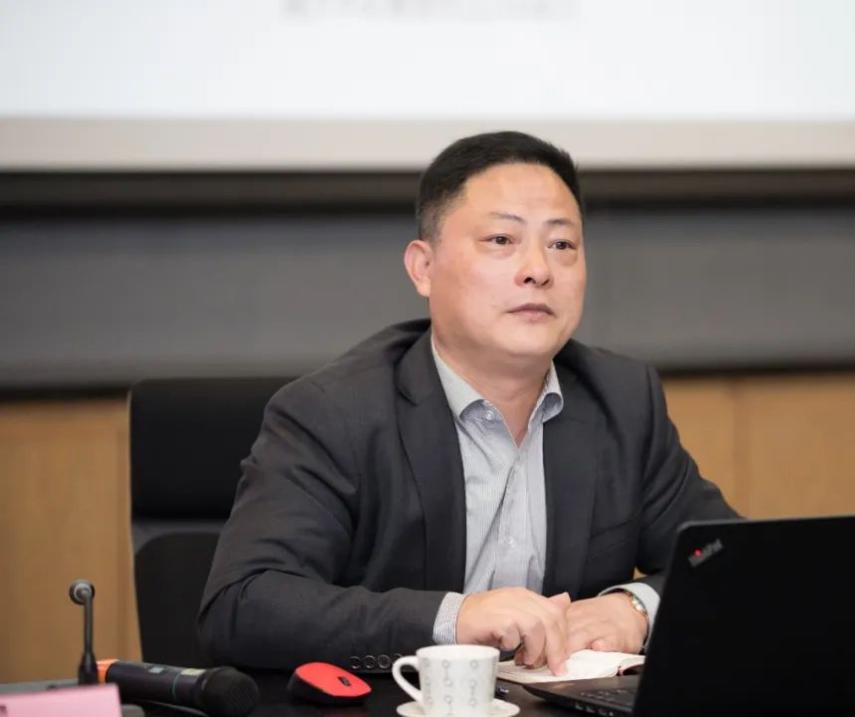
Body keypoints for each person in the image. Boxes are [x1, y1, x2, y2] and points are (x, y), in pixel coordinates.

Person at [197, 131, 738, 676]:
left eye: (562, 245)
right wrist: (453, 619)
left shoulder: (620, 400)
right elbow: (243, 606)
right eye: (502, 240)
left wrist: (636, 608)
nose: (538, 269)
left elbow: (729, 559)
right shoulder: (334, 413)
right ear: (423, 268)